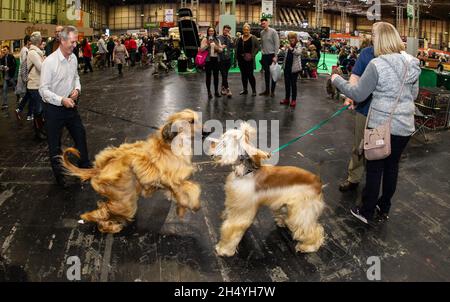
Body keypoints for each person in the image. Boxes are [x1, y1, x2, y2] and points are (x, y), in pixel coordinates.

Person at [331, 22, 421, 224]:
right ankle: (384, 206)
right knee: (392, 167)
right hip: (404, 126)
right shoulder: (412, 63)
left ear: (379, 39)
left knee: (374, 168)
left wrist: (336, 80)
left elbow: (358, 93)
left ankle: (366, 211)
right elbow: (413, 94)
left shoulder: (377, 64)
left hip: (380, 125)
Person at [39, 26, 91, 188]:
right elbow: (43, 90)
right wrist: (61, 100)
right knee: (54, 144)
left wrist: (77, 89)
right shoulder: (49, 62)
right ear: (62, 40)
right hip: (53, 110)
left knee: (80, 134)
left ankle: (84, 166)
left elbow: (75, 77)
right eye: (72, 42)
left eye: (76, 42)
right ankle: (60, 176)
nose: (75, 45)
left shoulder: (73, 58)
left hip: (70, 106)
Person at [338, 32, 375, 193]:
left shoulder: (395, 56)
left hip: (385, 113)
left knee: (377, 149)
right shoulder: (367, 53)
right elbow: (355, 75)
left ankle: (373, 183)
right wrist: (352, 94)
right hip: (364, 108)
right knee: (358, 146)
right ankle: (354, 178)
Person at [25, 31, 46, 140]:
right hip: (34, 85)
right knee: (38, 109)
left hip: (38, 84)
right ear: (39, 41)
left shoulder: (37, 52)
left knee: (40, 108)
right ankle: (38, 133)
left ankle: (41, 130)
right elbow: (41, 67)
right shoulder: (33, 52)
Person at [235, 23, 259, 96]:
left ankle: (254, 90)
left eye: (247, 30)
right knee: (243, 75)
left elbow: (257, 47)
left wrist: (253, 55)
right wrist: (237, 56)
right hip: (241, 60)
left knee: (250, 75)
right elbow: (236, 47)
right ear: (243, 30)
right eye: (244, 30)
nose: (246, 31)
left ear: (249, 30)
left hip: (249, 60)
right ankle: (245, 90)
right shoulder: (239, 38)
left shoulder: (253, 38)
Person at [280, 32, 302, 108]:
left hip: (294, 69)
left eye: (293, 38)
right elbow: (283, 54)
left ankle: (293, 100)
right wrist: (283, 49)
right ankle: (287, 99)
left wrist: (290, 48)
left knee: (293, 84)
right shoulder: (288, 45)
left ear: (295, 38)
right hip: (287, 67)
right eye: (290, 38)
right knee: (287, 84)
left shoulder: (298, 45)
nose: (291, 39)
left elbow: (298, 52)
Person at [259, 18, 280, 97]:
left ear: (267, 23)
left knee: (273, 74)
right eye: (262, 24)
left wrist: (275, 56)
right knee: (266, 74)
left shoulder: (273, 32)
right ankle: (267, 91)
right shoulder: (261, 32)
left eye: (264, 23)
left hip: (272, 56)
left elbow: (277, 44)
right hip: (264, 56)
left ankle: (272, 91)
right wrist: (262, 51)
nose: (263, 25)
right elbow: (262, 43)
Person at [200, 27, 223, 99]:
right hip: (208, 60)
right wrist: (207, 44)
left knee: (216, 77)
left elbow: (221, 50)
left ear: (214, 32)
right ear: (208, 32)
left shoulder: (217, 39)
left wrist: (217, 48)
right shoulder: (205, 39)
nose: (211, 32)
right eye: (210, 31)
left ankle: (216, 91)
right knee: (208, 77)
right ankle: (209, 92)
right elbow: (201, 50)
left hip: (216, 60)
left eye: (212, 31)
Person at [15, 35, 32, 121]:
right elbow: (25, 64)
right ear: (28, 41)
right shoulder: (25, 50)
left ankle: (20, 109)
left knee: (28, 94)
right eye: (30, 41)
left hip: (24, 75)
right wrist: (26, 77)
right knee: (30, 94)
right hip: (26, 75)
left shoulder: (24, 49)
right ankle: (29, 114)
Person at [218, 25, 234, 98]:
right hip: (221, 59)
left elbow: (233, 46)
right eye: (225, 30)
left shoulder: (229, 38)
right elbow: (216, 47)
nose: (226, 32)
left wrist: (230, 38)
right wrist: (220, 47)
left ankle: (222, 88)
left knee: (225, 74)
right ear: (223, 30)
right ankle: (227, 89)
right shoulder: (218, 38)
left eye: (228, 31)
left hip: (228, 58)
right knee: (223, 74)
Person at [0, 46, 17, 110]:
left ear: (8, 50)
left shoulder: (11, 57)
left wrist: (9, 68)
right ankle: (5, 103)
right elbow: (1, 65)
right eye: (3, 50)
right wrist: (1, 68)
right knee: (4, 90)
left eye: (5, 50)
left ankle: (18, 97)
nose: (4, 51)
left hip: (11, 76)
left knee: (15, 87)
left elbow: (14, 65)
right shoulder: (2, 58)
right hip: (5, 77)